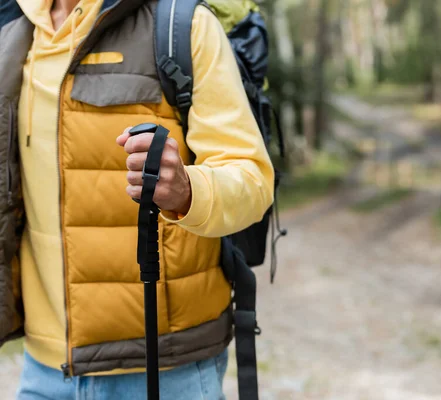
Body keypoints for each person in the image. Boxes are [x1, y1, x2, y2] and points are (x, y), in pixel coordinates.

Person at [0, 0, 275, 398]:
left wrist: (188, 190)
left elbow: (252, 178)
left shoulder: (183, 25)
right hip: (44, 368)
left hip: (164, 367)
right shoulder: (14, 26)